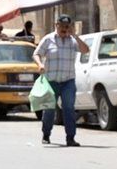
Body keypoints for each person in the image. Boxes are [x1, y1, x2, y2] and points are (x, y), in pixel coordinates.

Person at [32, 14, 89, 147]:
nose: (65, 28)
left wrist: (75, 35)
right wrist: (40, 64)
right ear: (56, 25)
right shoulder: (48, 40)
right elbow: (36, 53)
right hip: (52, 80)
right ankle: (46, 133)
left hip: (68, 81)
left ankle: (70, 137)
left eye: (67, 26)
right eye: (62, 26)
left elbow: (85, 50)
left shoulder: (72, 41)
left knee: (68, 108)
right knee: (50, 109)